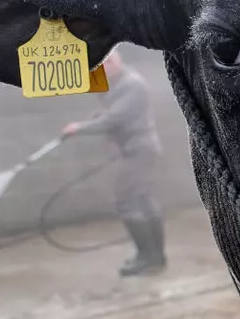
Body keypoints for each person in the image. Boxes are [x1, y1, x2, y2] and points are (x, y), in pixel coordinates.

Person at [63, 49, 167, 276]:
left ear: (114, 62)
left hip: (139, 151)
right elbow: (107, 112)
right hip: (134, 150)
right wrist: (91, 119)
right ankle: (155, 256)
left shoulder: (133, 84)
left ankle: (147, 256)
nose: (102, 70)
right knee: (143, 199)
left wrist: (79, 128)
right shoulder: (118, 84)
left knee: (127, 201)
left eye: (105, 64)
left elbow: (115, 117)